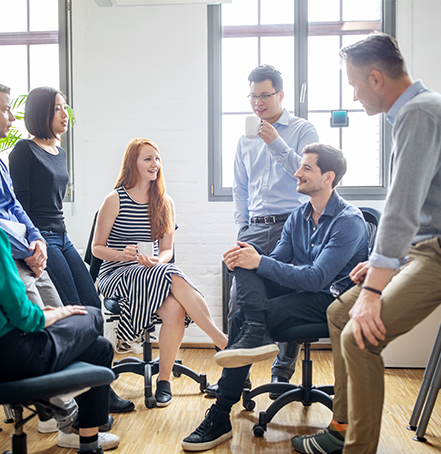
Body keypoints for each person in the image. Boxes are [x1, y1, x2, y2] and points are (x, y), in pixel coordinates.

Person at [291, 33, 441, 454]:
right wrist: (379, 265)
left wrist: (375, 289)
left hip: (436, 253)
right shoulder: (416, 111)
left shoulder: (419, 113)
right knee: (341, 313)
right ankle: (341, 427)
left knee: (360, 334)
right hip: (419, 250)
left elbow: (402, 207)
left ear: (376, 78)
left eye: (354, 84)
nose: (354, 95)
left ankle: (355, 447)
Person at [0, 120, 119, 454]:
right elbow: (27, 319)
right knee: (92, 321)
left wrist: (46, 314)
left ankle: (81, 438)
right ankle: (86, 443)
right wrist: (57, 313)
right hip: (7, 356)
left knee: (93, 341)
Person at [182, 143, 369, 451]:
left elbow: (316, 279)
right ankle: (255, 328)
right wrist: (249, 259)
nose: (297, 172)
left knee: (244, 313)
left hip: (331, 301)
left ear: (328, 176)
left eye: (307, 168)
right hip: (302, 294)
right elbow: (273, 265)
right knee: (244, 257)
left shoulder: (349, 221)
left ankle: (219, 414)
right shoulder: (299, 217)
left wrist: (260, 261)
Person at [91, 138, 228, 406]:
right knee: (173, 274)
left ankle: (163, 381)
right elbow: (97, 249)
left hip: (153, 272)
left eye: (157, 159)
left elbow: (167, 250)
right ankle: (224, 344)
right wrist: (122, 254)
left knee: (176, 309)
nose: (155, 164)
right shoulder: (114, 199)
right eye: (148, 159)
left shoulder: (165, 202)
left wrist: (157, 261)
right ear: (133, 163)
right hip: (117, 274)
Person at [222, 64, 320, 392]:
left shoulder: (303, 130)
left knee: (288, 293)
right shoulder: (244, 140)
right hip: (254, 227)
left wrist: (276, 142)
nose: (258, 103)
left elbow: (308, 175)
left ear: (280, 95)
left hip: (292, 224)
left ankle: (282, 371)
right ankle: (240, 371)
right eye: (253, 96)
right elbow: (239, 188)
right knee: (239, 297)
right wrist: (241, 227)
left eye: (265, 95)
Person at [0, 79, 63, 310]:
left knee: (65, 318)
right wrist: (27, 251)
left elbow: (14, 204)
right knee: (41, 328)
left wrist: (37, 238)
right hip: (4, 255)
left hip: (25, 251)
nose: (13, 117)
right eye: (6, 109)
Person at [9, 87, 102, 311]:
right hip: (43, 237)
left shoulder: (60, 153)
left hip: (62, 236)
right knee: (74, 305)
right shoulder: (24, 150)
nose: (64, 114)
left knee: (92, 302)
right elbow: (19, 205)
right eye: (57, 109)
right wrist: (30, 247)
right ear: (41, 113)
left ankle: (94, 346)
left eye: (65, 108)